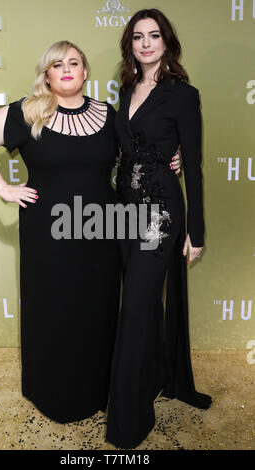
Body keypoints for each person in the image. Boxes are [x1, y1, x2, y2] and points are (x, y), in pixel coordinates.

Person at [0, 40, 181, 424]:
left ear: (84, 72)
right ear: (46, 74)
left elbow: (139, 153)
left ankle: (98, 390)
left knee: (96, 312)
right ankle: (52, 393)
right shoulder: (27, 112)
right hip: (48, 236)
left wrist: (170, 158)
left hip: (101, 231)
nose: (66, 69)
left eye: (74, 62)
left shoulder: (108, 113)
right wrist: (3, 188)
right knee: (55, 311)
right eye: (57, 64)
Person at [105, 9, 212, 449]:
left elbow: (195, 166)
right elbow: (122, 150)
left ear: (167, 42)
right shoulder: (126, 89)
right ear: (129, 45)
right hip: (125, 213)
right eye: (137, 37)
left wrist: (197, 231)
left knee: (135, 308)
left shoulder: (183, 96)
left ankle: (129, 421)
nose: (146, 43)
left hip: (162, 213)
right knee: (142, 305)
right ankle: (157, 377)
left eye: (154, 36)